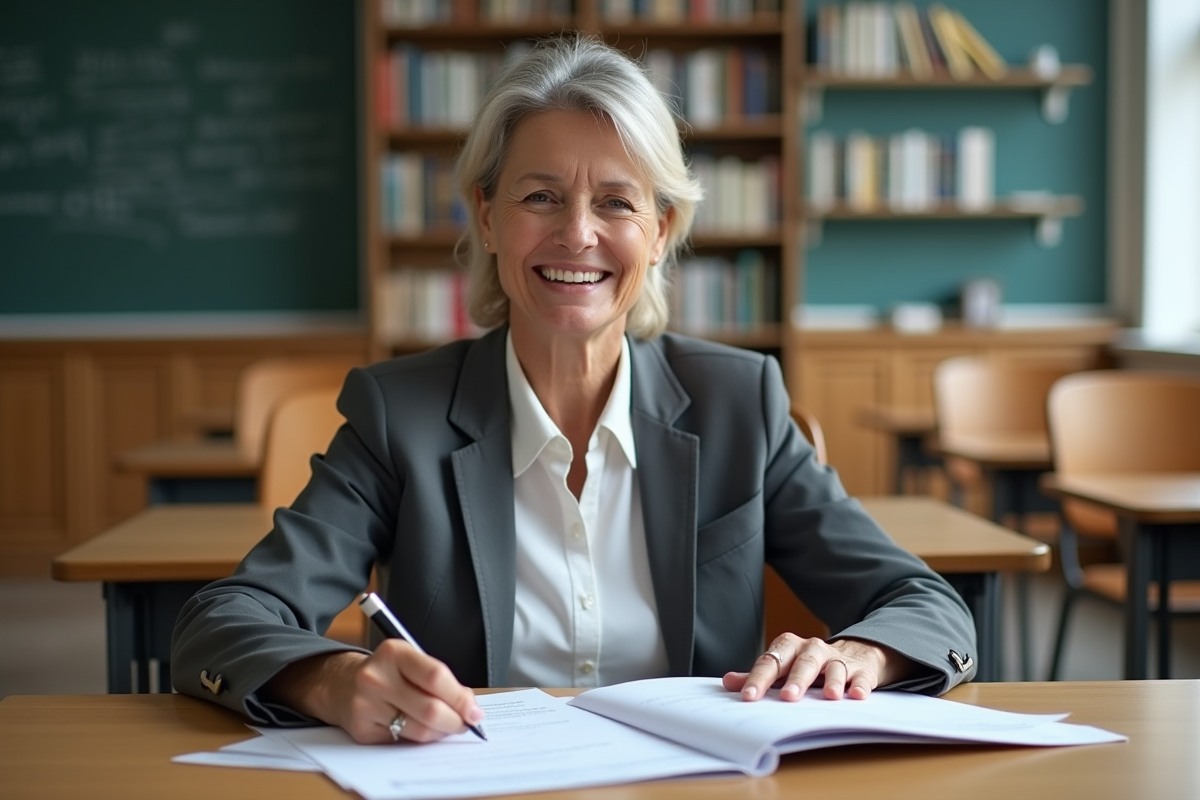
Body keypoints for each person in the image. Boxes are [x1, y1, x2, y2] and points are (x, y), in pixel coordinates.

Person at [171, 33, 976, 745]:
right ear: (487, 217)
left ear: (660, 232)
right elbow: (222, 623)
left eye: (617, 202)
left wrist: (856, 652)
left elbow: (927, 605)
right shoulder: (399, 416)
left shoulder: (743, 404)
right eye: (540, 197)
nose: (577, 234)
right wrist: (336, 680)